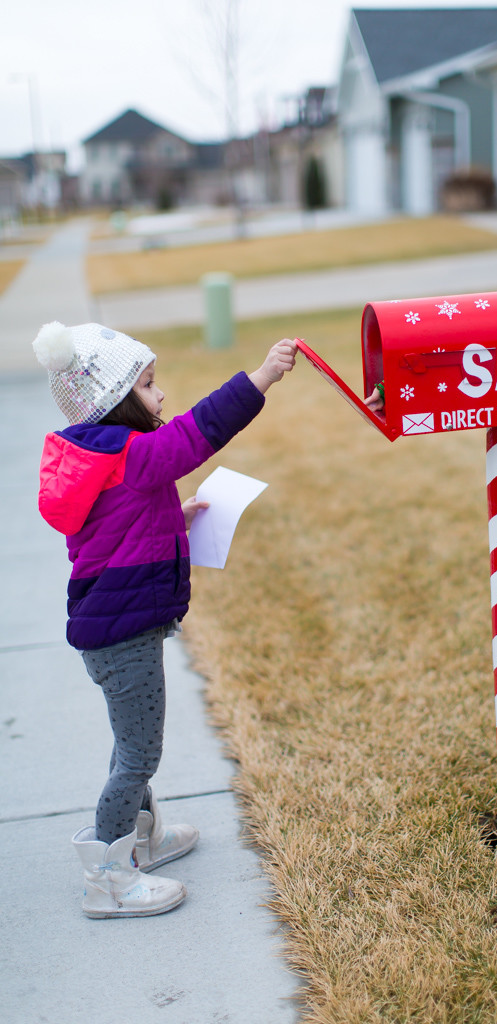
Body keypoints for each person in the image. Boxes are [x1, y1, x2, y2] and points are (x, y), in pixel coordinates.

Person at [33, 320, 297, 919]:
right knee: (137, 755)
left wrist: (170, 515)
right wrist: (262, 377)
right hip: (123, 639)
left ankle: (141, 843)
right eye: (149, 386)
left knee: (131, 743)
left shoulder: (97, 459)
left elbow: (109, 532)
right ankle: (106, 874)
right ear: (116, 401)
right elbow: (199, 432)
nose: (161, 396)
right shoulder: (135, 454)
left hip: (110, 633)